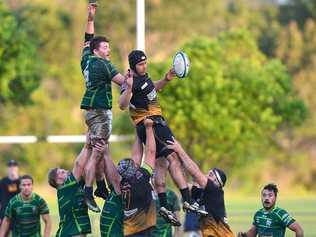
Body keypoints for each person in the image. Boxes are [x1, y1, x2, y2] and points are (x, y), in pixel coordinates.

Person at [119, 49, 205, 225]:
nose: (144, 66)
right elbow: (122, 104)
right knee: (174, 157)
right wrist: (128, 87)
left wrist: (166, 79)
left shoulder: (144, 77)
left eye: (145, 63)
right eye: (141, 64)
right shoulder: (131, 82)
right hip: (152, 124)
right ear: (133, 66)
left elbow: (152, 89)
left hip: (154, 123)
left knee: (162, 163)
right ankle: (188, 200)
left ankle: (164, 204)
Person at [80, 2, 129, 212]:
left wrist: (91, 19)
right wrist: (132, 81)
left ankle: (101, 187)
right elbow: (122, 83)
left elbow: (87, 40)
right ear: (97, 51)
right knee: (97, 152)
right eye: (105, 48)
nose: (108, 50)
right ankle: (89, 192)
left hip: (90, 113)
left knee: (98, 150)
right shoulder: (104, 65)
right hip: (100, 113)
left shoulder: (86, 59)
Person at [167, 139, 234, 237]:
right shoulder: (202, 193)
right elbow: (182, 185)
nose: (207, 175)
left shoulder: (215, 191)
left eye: (211, 174)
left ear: (217, 184)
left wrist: (179, 150)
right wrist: (172, 163)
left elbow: (195, 172)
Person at [47, 134, 105, 237]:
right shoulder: (65, 189)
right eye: (62, 172)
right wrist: (87, 145)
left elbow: (88, 168)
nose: (66, 171)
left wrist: (94, 146)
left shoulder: (73, 188)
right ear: (58, 182)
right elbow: (79, 165)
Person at [238, 183, 304, 237]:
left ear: (275, 198)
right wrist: (244, 236)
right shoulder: (258, 214)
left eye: (270, 195)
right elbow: (253, 232)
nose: (266, 198)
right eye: (264, 195)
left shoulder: (280, 213)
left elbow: (299, 230)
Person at [0, 160, 20, 237]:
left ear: (17, 168)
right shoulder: (2, 182)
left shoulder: (22, 181)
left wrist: (17, 179)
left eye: (14, 166)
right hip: (4, 214)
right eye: (10, 167)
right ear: (7, 169)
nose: (12, 168)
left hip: (18, 214)